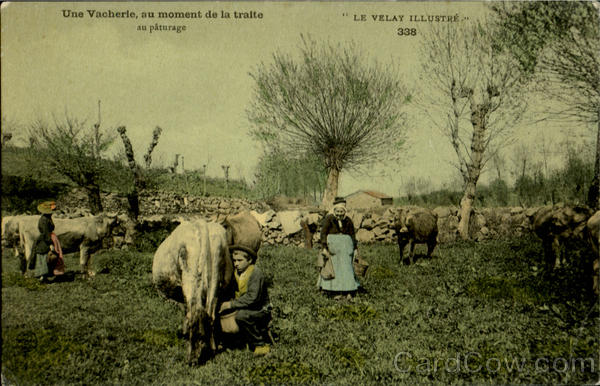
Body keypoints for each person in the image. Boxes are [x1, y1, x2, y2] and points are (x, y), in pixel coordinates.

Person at [219, 245, 272, 355]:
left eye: (240, 260)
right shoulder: (237, 273)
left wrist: (230, 304)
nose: (236, 264)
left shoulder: (255, 274)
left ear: (250, 260)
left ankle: (260, 344)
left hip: (260, 309)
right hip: (245, 306)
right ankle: (225, 341)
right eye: (234, 261)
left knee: (242, 316)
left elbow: (252, 298)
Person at [318, 197, 360, 299]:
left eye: (342, 211)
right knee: (334, 269)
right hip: (333, 250)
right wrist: (324, 247)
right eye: (337, 211)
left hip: (346, 250)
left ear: (345, 211)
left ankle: (349, 290)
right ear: (334, 210)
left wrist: (355, 249)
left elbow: (352, 235)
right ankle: (335, 292)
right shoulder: (329, 219)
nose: (339, 214)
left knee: (347, 269)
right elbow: (323, 233)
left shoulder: (348, 221)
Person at [29, 201, 64, 282]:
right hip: (46, 239)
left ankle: (51, 273)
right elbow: (45, 233)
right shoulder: (44, 220)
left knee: (50, 256)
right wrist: (50, 243)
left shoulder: (48, 218)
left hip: (50, 237)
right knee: (44, 255)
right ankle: (43, 276)